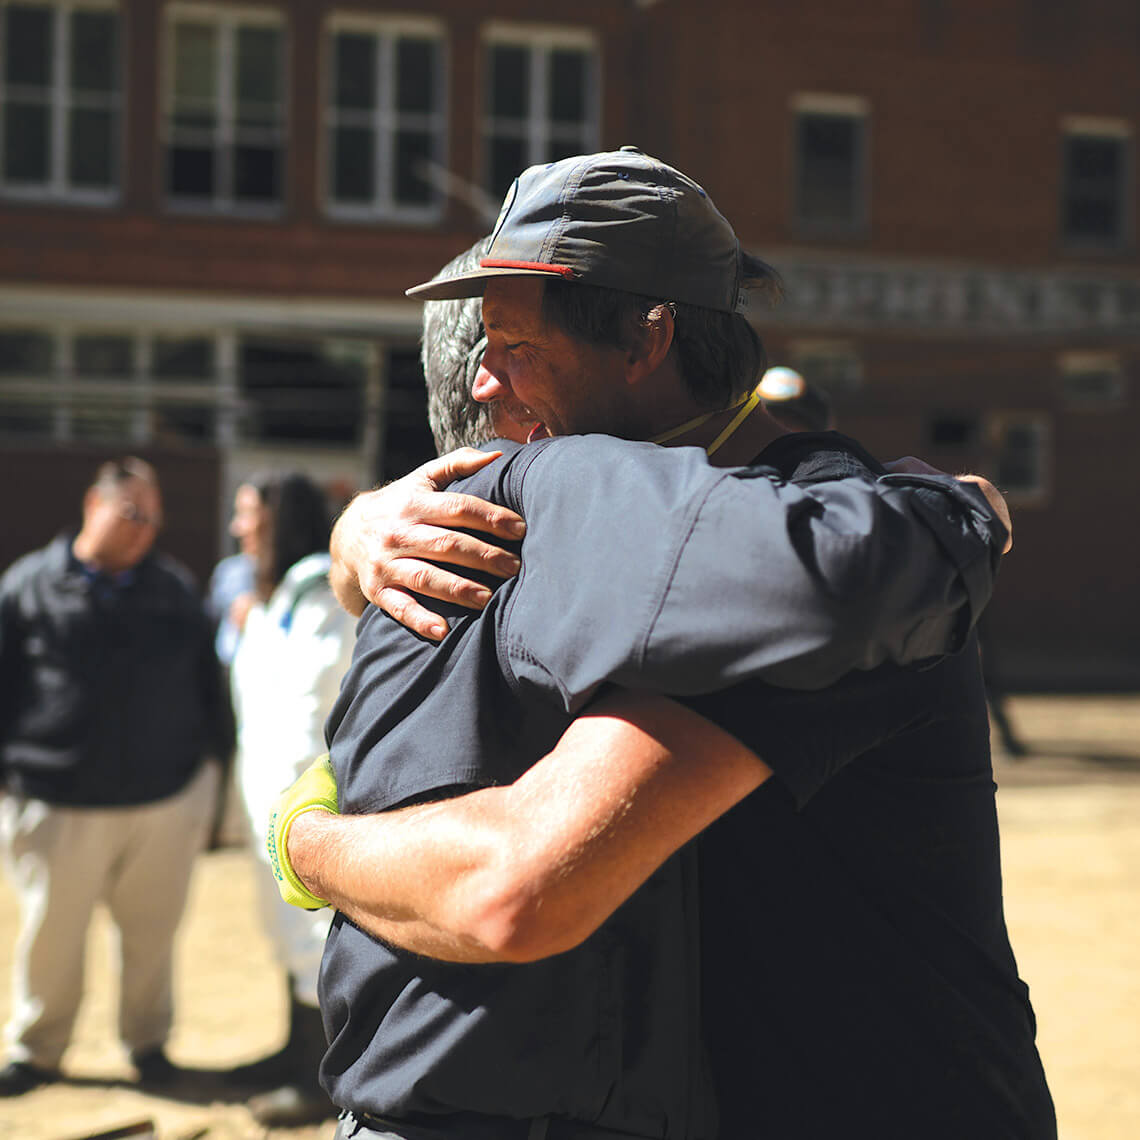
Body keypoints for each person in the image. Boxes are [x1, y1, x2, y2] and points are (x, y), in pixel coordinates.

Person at [275, 149, 1052, 1138]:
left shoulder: (771, 563)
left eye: (515, 346)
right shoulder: (623, 547)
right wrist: (354, 542)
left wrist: (301, 838)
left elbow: (518, 884)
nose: (484, 382)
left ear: (649, 339)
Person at [0, 458, 231, 1096]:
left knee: (153, 939)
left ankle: (148, 1045)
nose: (144, 530)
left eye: (154, 518)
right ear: (91, 505)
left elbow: (210, 692)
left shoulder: (174, 590)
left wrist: (208, 783)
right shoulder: (27, 585)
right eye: (132, 513)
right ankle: (38, 1050)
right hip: (56, 800)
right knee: (51, 939)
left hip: (163, 800)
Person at [225, 472, 356, 1125]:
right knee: (280, 932)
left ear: (281, 518)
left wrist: (296, 806)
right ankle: (290, 1050)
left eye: (250, 514)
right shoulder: (269, 600)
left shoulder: (322, 596)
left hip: (300, 804)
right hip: (264, 802)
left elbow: (313, 709)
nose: (239, 527)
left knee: (312, 939)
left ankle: (319, 1078)